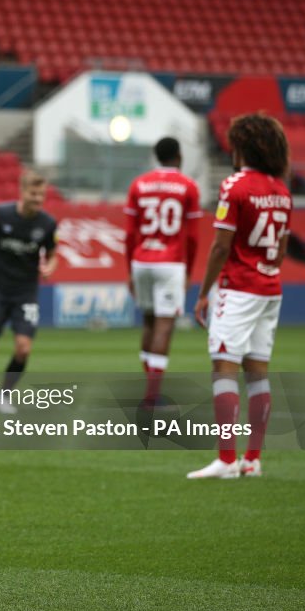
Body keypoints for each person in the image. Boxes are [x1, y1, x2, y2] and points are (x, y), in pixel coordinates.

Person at [189, 113, 292, 479]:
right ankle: (253, 459)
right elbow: (280, 250)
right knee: (258, 373)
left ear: (241, 145)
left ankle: (227, 461)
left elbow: (220, 247)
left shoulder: (235, 185)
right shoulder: (281, 191)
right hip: (270, 287)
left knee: (224, 366)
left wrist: (203, 293)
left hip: (238, 288)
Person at [0, 170, 57, 413]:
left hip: (26, 293)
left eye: (42, 195)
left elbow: (52, 253)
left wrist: (50, 266)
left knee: (24, 347)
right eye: (33, 194)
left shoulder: (47, 223)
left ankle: (4, 395)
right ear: (22, 191)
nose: (38, 199)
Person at [124, 137, 202, 408]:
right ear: (178, 156)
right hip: (170, 263)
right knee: (164, 326)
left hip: (141, 260)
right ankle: (152, 397)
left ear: (156, 157)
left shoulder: (139, 184)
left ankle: (150, 388)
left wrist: (129, 270)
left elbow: (129, 233)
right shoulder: (188, 187)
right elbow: (192, 237)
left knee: (148, 321)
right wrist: (189, 270)